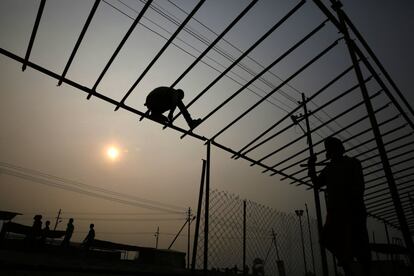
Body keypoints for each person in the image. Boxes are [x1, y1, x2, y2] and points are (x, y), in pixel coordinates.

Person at [308, 137, 371, 276]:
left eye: (332, 149)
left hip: (353, 210)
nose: (331, 152)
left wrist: (350, 205)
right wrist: (311, 166)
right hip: (335, 213)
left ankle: (360, 267)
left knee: (360, 247)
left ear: (339, 149)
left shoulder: (352, 163)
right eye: (329, 150)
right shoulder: (329, 169)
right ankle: (346, 261)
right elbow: (317, 183)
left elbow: (359, 187)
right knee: (326, 239)